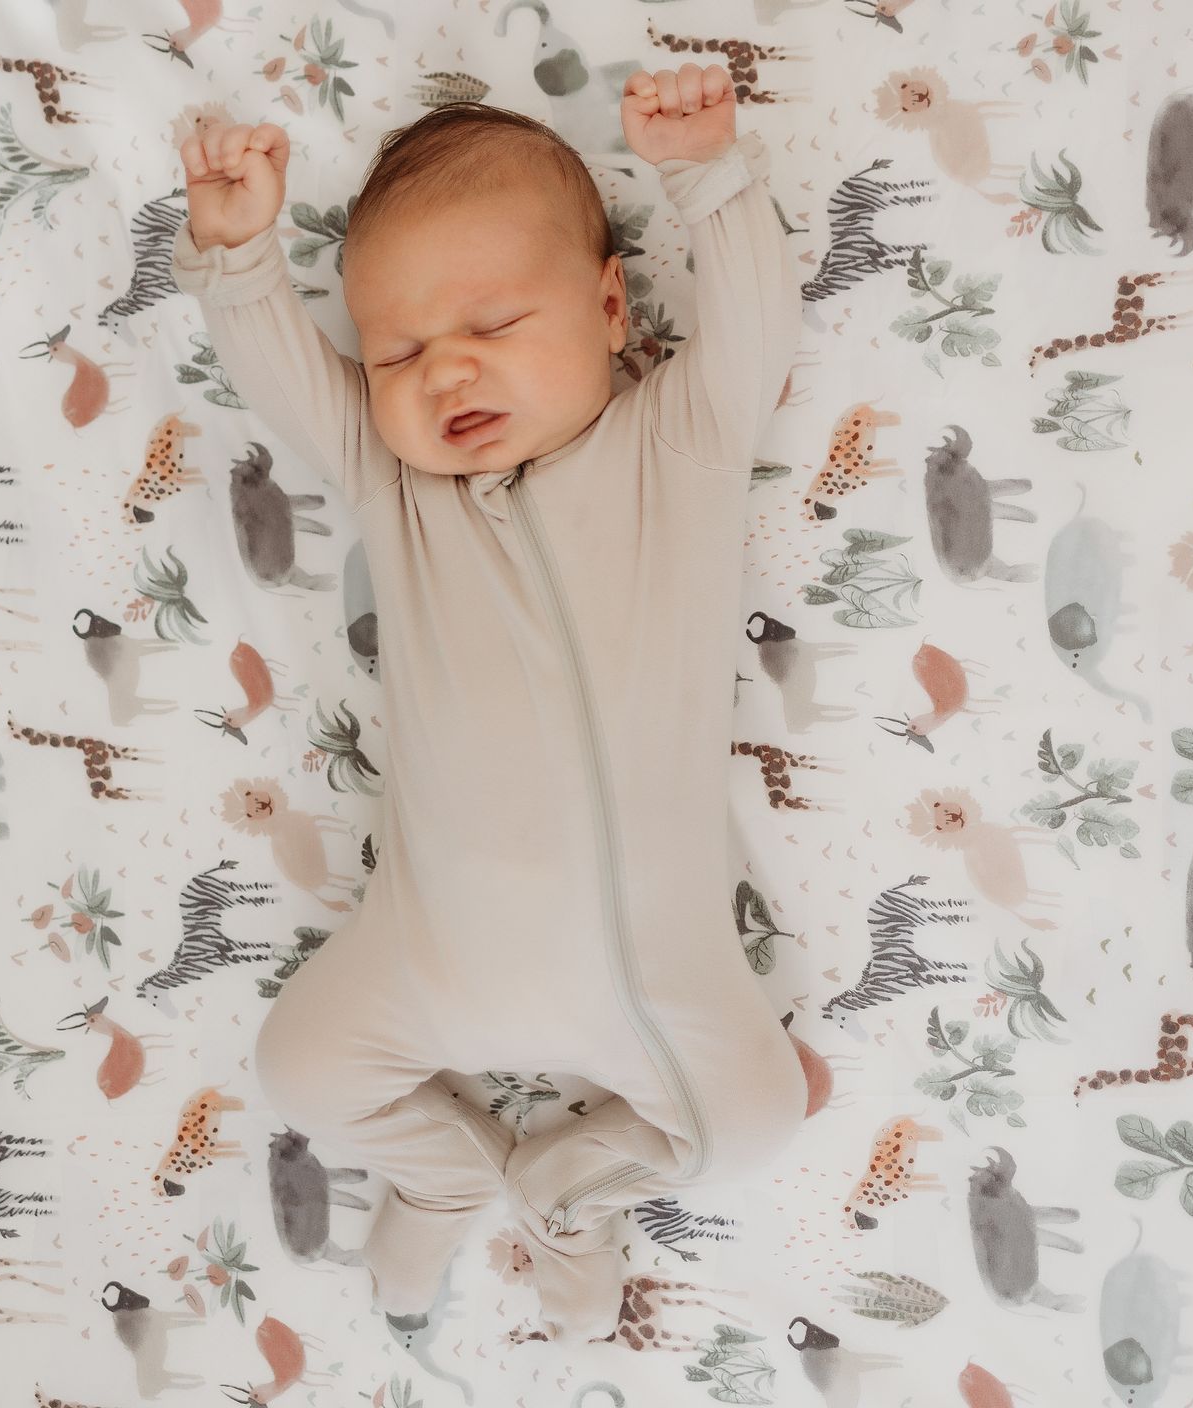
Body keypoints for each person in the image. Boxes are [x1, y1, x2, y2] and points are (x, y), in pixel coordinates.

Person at [170, 62, 811, 1344]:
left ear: (611, 303)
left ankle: (570, 1188)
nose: (445, 371)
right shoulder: (399, 489)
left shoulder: (671, 444)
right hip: (423, 960)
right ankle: (444, 1166)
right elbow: (293, 381)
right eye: (398, 350)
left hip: (656, 985)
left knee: (762, 1118)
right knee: (299, 1066)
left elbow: (755, 327)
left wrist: (707, 174)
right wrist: (235, 258)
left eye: (494, 326)